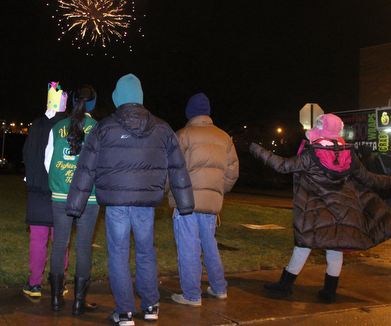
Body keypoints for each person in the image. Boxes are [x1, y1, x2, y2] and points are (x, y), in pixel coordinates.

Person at [66, 73, 195, 326]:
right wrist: (185, 202)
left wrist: (74, 204)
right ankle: (150, 305)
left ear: (117, 98)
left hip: (115, 202)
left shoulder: (104, 128)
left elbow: (86, 168)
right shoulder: (162, 128)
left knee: (118, 254)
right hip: (146, 203)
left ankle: (124, 311)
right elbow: (178, 167)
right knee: (146, 252)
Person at [250, 113, 391, 303]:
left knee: (303, 246)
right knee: (335, 249)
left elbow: (283, 166)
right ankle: (329, 291)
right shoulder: (349, 154)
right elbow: (370, 179)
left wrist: (257, 150)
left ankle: (285, 285)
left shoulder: (312, 154)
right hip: (344, 212)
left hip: (317, 213)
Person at [167, 93, 239, 307]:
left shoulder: (182, 135)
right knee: (210, 244)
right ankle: (219, 288)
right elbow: (232, 172)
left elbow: (172, 169)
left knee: (189, 247)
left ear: (189, 113)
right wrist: (218, 191)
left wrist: (168, 193)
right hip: (211, 203)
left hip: (186, 201)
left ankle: (191, 294)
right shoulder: (224, 137)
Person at [45, 85, 99, 314]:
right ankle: (79, 301)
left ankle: (56, 299)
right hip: (89, 196)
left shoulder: (57, 127)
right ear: (93, 104)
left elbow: (48, 162)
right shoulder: (98, 129)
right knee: (84, 247)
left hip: (60, 195)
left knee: (59, 244)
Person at [22, 82, 69, 298]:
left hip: (39, 189)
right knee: (61, 239)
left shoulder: (38, 125)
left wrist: (31, 178)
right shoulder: (69, 126)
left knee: (38, 239)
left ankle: (35, 284)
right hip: (62, 188)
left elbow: (28, 153)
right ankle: (60, 282)